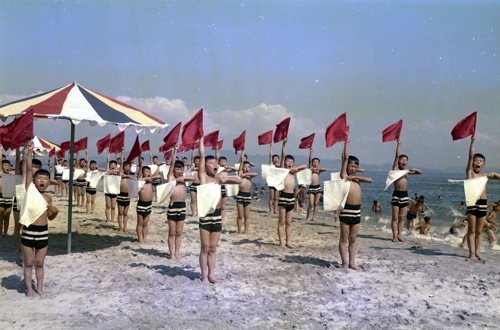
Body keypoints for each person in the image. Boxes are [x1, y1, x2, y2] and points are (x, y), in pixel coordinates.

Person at [197, 136, 241, 283]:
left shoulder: (218, 179)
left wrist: (225, 180)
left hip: (216, 216)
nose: (214, 164)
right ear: (205, 166)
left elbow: (239, 180)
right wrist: (202, 139)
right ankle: (204, 275)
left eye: (216, 162)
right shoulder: (203, 177)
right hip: (205, 215)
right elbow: (201, 155)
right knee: (205, 247)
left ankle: (212, 274)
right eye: (211, 163)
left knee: (213, 248)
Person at [20, 140, 59, 297]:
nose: (42, 180)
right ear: (33, 180)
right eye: (39, 178)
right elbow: (29, 168)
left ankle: (40, 288)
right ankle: (29, 289)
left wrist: (54, 212)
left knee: (40, 263)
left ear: (49, 182)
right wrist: (29, 151)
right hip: (28, 231)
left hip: (43, 232)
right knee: (28, 263)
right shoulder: (30, 189)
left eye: (45, 178)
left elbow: (50, 217)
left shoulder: (49, 197)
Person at [338, 138, 372, 270]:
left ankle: (352, 262)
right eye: (351, 166)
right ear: (346, 167)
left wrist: (357, 176)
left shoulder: (357, 179)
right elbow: (345, 158)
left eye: (355, 167)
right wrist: (346, 143)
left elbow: (370, 180)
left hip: (357, 211)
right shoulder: (344, 176)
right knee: (343, 238)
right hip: (346, 210)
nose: (353, 168)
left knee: (353, 239)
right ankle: (344, 263)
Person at [465, 135, 500, 260]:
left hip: (482, 204)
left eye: (480, 161)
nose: (477, 162)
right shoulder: (470, 173)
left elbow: (495, 175)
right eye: (476, 160)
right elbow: (470, 157)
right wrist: (472, 142)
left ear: (484, 164)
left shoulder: (485, 175)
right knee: (472, 229)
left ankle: (478, 252)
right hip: (472, 203)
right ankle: (471, 253)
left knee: (479, 231)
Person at [390, 139, 422, 242]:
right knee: (395, 217)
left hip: (404, 195)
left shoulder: (406, 172)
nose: (404, 161)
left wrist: (414, 169)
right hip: (396, 194)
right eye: (402, 159)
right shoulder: (395, 170)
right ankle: (394, 236)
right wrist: (398, 145)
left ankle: (400, 235)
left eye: (405, 160)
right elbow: (396, 156)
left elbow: (420, 172)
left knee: (401, 217)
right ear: (398, 161)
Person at [166, 145, 195, 259]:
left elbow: (194, 178)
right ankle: (171, 253)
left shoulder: (184, 178)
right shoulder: (171, 177)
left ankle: (177, 252)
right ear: (173, 170)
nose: (179, 171)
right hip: (173, 206)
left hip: (182, 206)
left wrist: (183, 178)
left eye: (181, 169)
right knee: (172, 231)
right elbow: (172, 163)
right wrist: (175, 150)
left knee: (179, 232)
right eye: (177, 169)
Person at [277, 138, 306, 248]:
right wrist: (284, 145)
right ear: (284, 162)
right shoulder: (282, 171)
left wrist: (295, 168)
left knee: (289, 222)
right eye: (287, 161)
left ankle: (288, 241)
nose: (289, 163)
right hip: (283, 196)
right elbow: (283, 155)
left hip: (291, 198)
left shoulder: (293, 171)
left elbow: (304, 166)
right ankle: (281, 242)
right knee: (281, 221)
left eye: (291, 162)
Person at [136, 158, 162, 244]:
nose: (148, 173)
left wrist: (150, 177)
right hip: (141, 203)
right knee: (140, 223)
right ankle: (140, 239)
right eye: (146, 171)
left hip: (149, 204)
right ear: (142, 173)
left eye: (149, 171)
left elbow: (159, 176)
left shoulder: (150, 180)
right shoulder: (140, 180)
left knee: (146, 223)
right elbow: (140, 168)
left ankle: (144, 238)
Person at [236, 149, 258, 234]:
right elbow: (241, 163)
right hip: (240, 195)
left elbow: (255, 174)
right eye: (245, 167)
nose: (247, 168)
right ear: (242, 167)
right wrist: (242, 152)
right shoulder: (240, 174)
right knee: (240, 215)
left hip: (248, 196)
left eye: (248, 167)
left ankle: (246, 230)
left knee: (246, 215)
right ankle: (239, 230)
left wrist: (246, 174)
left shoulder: (249, 176)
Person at [305, 149, 326, 222]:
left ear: (318, 163)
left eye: (317, 162)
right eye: (314, 162)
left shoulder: (318, 170)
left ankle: (314, 217)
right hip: (311, 188)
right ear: (312, 163)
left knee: (316, 203)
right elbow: (309, 161)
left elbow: (325, 169)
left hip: (318, 188)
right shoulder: (309, 169)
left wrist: (316, 169)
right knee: (311, 203)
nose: (315, 163)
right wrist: (311, 153)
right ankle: (308, 216)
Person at [118, 156, 134, 233]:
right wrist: (122, 153)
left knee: (125, 213)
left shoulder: (132, 176)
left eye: (129, 166)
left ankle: (125, 227)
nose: (127, 168)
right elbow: (122, 173)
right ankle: (120, 227)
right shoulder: (121, 173)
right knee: (120, 212)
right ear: (123, 167)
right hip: (120, 194)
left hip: (127, 195)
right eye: (126, 166)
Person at [104, 149, 121, 223]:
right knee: (108, 205)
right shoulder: (107, 171)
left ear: (116, 166)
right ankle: (108, 219)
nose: (112, 166)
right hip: (108, 191)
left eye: (114, 165)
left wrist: (111, 171)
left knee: (113, 206)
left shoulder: (118, 172)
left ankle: (113, 219)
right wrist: (108, 153)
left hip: (115, 191)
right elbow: (107, 161)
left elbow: (119, 171)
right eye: (111, 165)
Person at [0, 157, 14, 239]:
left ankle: (5, 233)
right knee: (0, 217)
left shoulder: (12, 176)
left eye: (8, 165)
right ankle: (0, 233)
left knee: (7, 216)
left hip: (9, 197)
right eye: (5, 165)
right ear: (2, 166)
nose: (7, 167)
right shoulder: (0, 175)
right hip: (1, 197)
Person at [268, 143, 280, 214]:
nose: (275, 159)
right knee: (271, 198)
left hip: (277, 183)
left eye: (276, 158)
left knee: (276, 198)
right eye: (274, 158)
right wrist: (271, 148)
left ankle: (275, 209)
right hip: (272, 183)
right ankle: (270, 210)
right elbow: (270, 156)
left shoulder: (280, 166)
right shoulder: (271, 165)